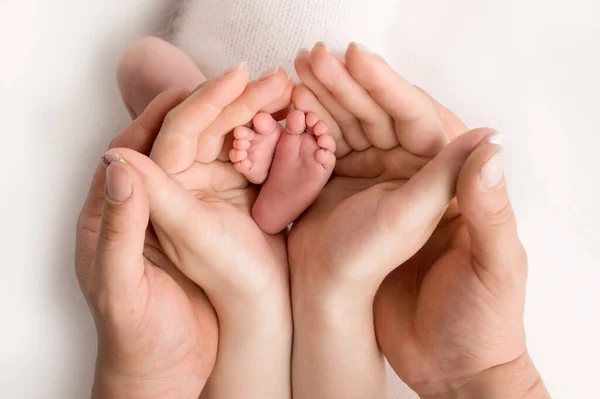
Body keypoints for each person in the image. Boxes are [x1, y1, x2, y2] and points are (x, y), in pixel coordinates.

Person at [75, 40, 550, 399]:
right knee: (158, 77)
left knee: (147, 66)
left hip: (242, 153)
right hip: (341, 142)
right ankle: (275, 195)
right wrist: (487, 375)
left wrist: (143, 380)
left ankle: (259, 182)